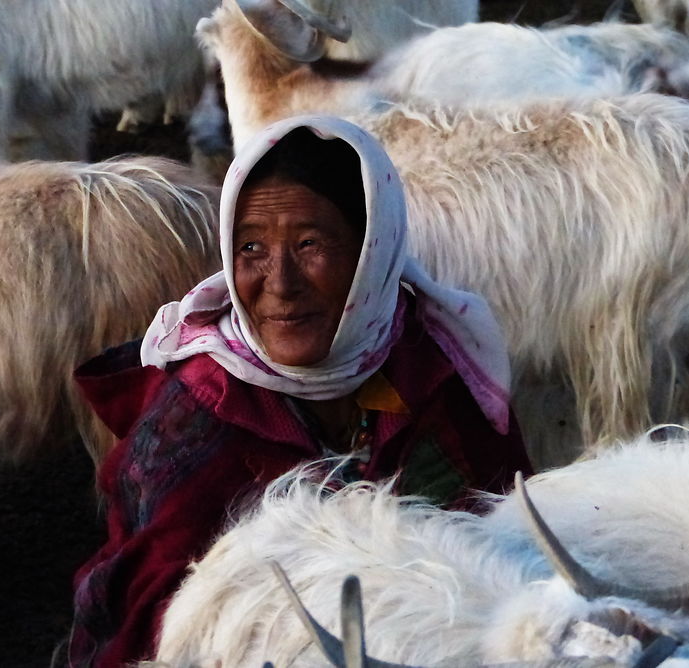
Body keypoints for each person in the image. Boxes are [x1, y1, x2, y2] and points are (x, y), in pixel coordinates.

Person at [68, 116, 532, 667]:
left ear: (372, 250)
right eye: (252, 249)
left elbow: (511, 547)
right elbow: (155, 628)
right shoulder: (195, 418)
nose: (280, 283)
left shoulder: (436, 368)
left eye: (310, 243)